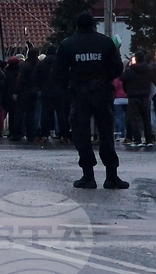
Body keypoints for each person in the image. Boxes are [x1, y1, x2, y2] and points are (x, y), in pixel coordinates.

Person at [56, 11, 128, 189]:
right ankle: (112, 176)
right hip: (103, 93)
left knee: (81, 134)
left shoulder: (67, 44)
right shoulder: (105, 42)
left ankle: (88, 176)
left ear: (77, 25)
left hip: (79, 94)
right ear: (94, 25)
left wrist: (73, 82)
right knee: (106, 133)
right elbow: (118, 68)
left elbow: (58, 72)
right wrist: (102, 78)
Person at [121, 51, 155, 148]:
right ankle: (149, 139)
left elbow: (122, 78)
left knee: (134, 118)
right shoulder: (149, 69)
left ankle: (137, 139)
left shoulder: (130, 70)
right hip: (145, 95)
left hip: (133, 95)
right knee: (146, 118)